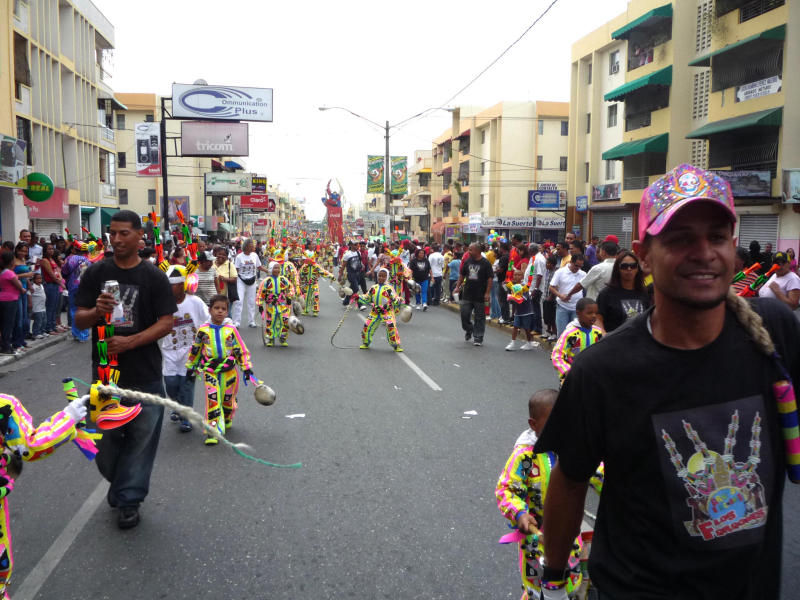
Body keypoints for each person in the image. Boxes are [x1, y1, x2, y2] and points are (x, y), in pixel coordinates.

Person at [535, 164, 800, 600]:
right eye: (680, 239)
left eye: (717, 237)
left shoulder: (772, 331)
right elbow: (570, 478)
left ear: (734, 247)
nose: (704, 252)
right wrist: (555, 577)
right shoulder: (602, 369)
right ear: (643, 254)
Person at [74, 210, 177, 529]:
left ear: (138, 236)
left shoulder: (153, 277)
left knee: (142, 441)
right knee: (104, 443)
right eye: (112, 233)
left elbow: (166, 322)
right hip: (105, 375)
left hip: (145, 374)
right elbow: (78, 319)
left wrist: (131, 343)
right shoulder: (96, 273)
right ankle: (120, 484)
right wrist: (95, 312)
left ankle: (129, 499)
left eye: (123, 234)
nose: (116, 239)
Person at [495, 389, 600, 600]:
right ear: (533, 425)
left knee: (576, 581)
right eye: (553, 423)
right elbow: (506, 489)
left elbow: (598, 471)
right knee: (542, 589)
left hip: (569, 532)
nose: (561, 429)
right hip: (537, 540)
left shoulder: (571, 448)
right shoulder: (525, 456)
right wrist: (519, 513)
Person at [186, 295, 254, 445]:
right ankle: (213, 431)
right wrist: (191, 367)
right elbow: (195, 349)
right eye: (216, 308)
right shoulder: (203, 331)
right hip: (210, 371)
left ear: (227, 311)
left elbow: (240, 350)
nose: (220, 311)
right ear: (210, 310)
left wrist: (246, 367)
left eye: (223, 309)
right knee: (213, 399)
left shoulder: (231, 330)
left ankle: (228, 415)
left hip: (229, 371)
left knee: (227, 399)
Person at [161, 265, 210, 433]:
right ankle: (177, 406)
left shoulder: (195, 302)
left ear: (182, 285)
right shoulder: (163, 304)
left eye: (172, 285)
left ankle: (187, 416)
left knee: (187, 384)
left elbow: (209, 320)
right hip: (170, 351)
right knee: (171, 384)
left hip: (191, 351)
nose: (169, 289)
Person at [551, 297, 603, 386]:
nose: (594, 316)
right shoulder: (571, 334)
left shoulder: (597, 332)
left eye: (596, 313)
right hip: (571, 380)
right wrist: (568, 371)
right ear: (578, 313)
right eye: (589, 313)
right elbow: (557, 356)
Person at [596, 251, 651, 332]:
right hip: (614, 342)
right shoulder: (606, 294)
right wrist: (603, 335)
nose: (629, 269)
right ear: (617, 269)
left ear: (637, 269)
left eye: (633, 266)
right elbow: (598, 319)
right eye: (624, 266)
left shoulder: (644, 292)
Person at [454, 242, 493, 347]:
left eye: (471, 250)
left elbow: (490, 279)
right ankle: (469, 329)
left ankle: (478, 337)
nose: (468, 252)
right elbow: (462, 275)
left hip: (480, 295)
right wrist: (457, 287)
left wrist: (487, 293)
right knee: (464, 315)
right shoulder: (467, 262)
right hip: (467, 294)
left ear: (477, 251)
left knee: (480, 317)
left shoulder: (486, 263)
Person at [357, 267, 403, 352]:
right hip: (375, 311)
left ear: (387, 277)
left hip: (387, 311)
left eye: (383, 276)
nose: (381, 278)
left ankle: (396, 345)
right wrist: (358, 297)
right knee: (367, 326)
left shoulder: (389, 288)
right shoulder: (373, 287)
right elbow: (367, 297)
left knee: (391, 326)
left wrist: (398, 300)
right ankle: (366, 343)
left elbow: (395, 298)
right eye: (380, 276)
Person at [257, 261, 294, 347]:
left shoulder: (283, 279)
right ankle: (270, 338)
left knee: (285, 321)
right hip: (271, 306)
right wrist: (260, 305)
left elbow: (291, 288)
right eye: (275, 268)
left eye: (278, 268)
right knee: (271, 322)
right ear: (270, 269)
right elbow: (260, 293)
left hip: (283, 305)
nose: (277, 269)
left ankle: (283, 338)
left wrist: (289, 297)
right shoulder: (266, 281)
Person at [549, 253, 586, 336]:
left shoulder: (583, 274)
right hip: (562, 307)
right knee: (562, 334)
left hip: (577, 308)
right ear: (571, 262)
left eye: (580, 266)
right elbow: (551, 287)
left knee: (576, 335)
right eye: (576, 265)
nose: (578, 268)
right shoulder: (560, 272)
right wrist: (560, 295)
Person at [61, 241, 91, 342]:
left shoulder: (70, 259)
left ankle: (76, 333)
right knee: (84, 310)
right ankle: (84, 335)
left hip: (73, 287)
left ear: (75, 249)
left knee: (74, 310)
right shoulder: (89, 260)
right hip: (85, 287)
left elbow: (64, 272)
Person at [233, 239, 266, 328]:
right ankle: (236, 322)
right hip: (241, 281)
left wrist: (269, 271)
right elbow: (236, 270)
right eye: (252, 245)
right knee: (239, 301)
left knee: (251, 302)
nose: (253, 247)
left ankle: (251, 321)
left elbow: (259, 267)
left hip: (252, 281)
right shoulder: (239, 257)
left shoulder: (254, 255)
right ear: (247, 246)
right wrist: (234, 281)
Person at [504, 270, 537, 351]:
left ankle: (529, 342)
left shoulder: (524, 287)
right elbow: (512, 298)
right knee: (515, 326)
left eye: (519, 275)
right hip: (518, 312)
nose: (516, 276)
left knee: (526, 328)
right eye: (515, 275)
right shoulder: (513, 286)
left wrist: (513, 298)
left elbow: (522, 299)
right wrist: (510, 298)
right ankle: (512, 343)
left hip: (526, 311)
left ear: (522, 277)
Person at [0, 251, 24, 356]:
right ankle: (6, 347)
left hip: (3, 298)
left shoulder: (2, 272)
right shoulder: (9, 273)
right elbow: (19, 286)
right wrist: (23, 289)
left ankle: (4, 345)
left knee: (4, 323)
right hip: (10, 300)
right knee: (8, 324)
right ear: (11, 261)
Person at [40, 243, 64, 335]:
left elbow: (57, 271)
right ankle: (48, 327)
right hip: (50, 285)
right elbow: (51, 274)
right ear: (45, 251)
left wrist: (60, 280)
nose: (51, 251)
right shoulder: (45, 260)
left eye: (52, 249)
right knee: (50, 307)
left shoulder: (52, 259)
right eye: (49, 249)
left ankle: (53, 326)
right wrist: (60, 283)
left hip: (55, 284)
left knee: (55, 307)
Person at [12, 243, 33, 349]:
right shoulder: (13, 261)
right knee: (19, 318)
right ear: (17, 250)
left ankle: (22, 340)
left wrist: (29, 285)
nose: (23, 253)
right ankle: (17, 342)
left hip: (25, 290)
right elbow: (11, 276)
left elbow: (27, 276)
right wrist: (26, 275)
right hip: (16, 290)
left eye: (25, 251)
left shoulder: (24, 260)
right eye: (22, 251)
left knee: (25, 316)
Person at [213, 245, 238, 318]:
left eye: (224, 255)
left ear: (227, 256)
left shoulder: (230, 265)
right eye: (219, 254)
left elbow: (234, 279)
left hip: (226, 296)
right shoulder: (211, 263)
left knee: (226, 315)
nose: (221, 256)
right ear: (216, 254)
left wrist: (224, 278)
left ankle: (228, 328)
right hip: (212, 295)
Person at [542, 255, 558, 341]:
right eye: (546, 263)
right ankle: (548, 331)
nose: (546, 265)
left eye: (548, 263)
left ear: (553, 265)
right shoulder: (547, 272)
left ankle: (554, 333)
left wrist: (551, 297)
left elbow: (554, 286)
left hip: (552, 299)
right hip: (545, 297)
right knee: (546, 316)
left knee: (552, 317)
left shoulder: (555, 273)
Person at [30, 272, 46, 339]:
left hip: (43, 307)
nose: (39, 280)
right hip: (37, 308)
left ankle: (42, 331)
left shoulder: (41, 286)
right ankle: (36, 333)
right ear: (34, 280)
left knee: (44, 320)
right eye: (37, 279)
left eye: (40, 278)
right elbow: (29, 294)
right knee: (38, 321)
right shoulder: (33, 287)